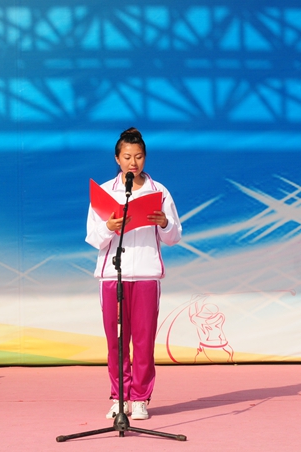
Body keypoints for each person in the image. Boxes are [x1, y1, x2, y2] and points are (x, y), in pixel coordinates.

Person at [86, 127, 182, 420]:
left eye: (138, 157)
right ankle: (120, 397)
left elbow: (174, 236)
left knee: (143, 341)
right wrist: (108, 227)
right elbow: (93, 237)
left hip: (146, 275)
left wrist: (164, 223)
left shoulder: (159, 191)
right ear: (117, 158)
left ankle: (139, 398)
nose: (133, 162)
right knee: (116, 341)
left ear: (145, 158)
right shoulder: (105, 192)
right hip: (112, 276)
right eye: (127, 157)